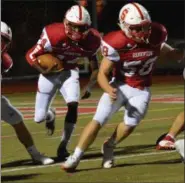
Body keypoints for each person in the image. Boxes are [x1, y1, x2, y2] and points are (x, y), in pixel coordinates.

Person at [61, 2, 185, 171]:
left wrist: (178, 53)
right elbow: (102, 73)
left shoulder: (156, 34)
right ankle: (75, 157)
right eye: (136, 28)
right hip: (119, 85)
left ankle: (110, 145)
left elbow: (168, 52)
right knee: (98, 120)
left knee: (130, 124)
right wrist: (107, 88)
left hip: (142, 89)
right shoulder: (116, 41)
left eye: (145, 27)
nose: (142, 32)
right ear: (125, 27)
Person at [25, 5, 101, 161]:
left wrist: (89, 86)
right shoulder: (53, 34)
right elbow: (30, 55)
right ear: (66, 23)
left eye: (81, 28)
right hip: (50, 73)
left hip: (69, 72)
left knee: (73, 104)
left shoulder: (93, 40)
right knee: (38, 118)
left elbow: (95, 68)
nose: (77, 31)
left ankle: (63, 146)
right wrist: (43, 70)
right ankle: (50, 114)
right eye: (74, 26)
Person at [1, 21, 54, 165]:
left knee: (17, 120)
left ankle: (35, 155)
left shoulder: (5, 61)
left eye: (3, 40)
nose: (1, 43)